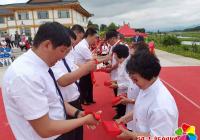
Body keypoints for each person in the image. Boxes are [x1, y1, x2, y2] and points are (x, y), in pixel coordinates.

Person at [2, 22, 100, 140]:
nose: (63, 57)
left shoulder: (40, 65)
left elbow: (53, 98)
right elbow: (45, 129)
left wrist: (77, 113)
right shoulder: (25, 75)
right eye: (62, 51)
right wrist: (84, 120)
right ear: (47, 45)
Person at [117, 50, 178, 139]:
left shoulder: (161, 106)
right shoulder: (146, 86)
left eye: (135, 79)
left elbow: (158, 137)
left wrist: (131, 136)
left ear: (147, 74)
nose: (133, 83)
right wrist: (124, 119)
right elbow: (141, 108)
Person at [51, 29, 97, 140]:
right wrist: (86, 68)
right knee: (68, 135)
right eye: (68, 46)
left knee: (78, 135)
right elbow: (63, 80)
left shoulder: (68, 54)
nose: (70, 48)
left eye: (71, 45)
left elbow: (74, 67)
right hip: (65, 103)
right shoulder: (54, 59)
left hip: (75, 100)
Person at [74, 28, 98, 105]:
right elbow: (91, 61)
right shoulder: (83, 46)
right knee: (85, 85)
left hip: (84, 67)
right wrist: (105, 58)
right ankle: (84, 100)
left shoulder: (84, 44)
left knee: (89, 84)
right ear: (89, 36)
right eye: (94, 37)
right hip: (82, 68)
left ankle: (89, 99)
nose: (95, 40)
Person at [110, 44, 130, 119]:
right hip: (121, 91)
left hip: (126, 92)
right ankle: (119, 114)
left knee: (124, 107)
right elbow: (121, 77)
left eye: (114, 54)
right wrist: (115, 81)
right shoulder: (121, 63)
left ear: (118, 54)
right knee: (120, 105)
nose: (114, 56)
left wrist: (117, 85)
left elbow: (129, 83)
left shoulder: (127, 67)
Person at [104, 30, 122, 96]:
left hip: (119, 72)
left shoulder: (120, 46)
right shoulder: (113, 46)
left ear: (113, 38)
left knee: (120, 89)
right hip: (115, 71)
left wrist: (111, 68)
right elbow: (113, 59)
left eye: (108, 41)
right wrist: (110, 65)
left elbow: (120, 61)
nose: (108, 43)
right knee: (115, 88)